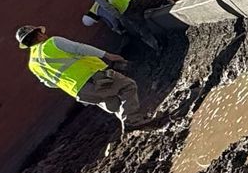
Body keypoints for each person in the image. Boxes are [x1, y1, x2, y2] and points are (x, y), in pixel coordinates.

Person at [15, 25, 150, 131]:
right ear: (38, 34)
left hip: (79, 92)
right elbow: (80, 48)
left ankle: (132, 122)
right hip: (94, 78)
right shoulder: (52, 42)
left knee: (114, 102)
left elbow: (50, 83)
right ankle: (132, 121)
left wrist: (72, 81)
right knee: (127, 86)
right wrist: (108, 55)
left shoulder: (33, 64)